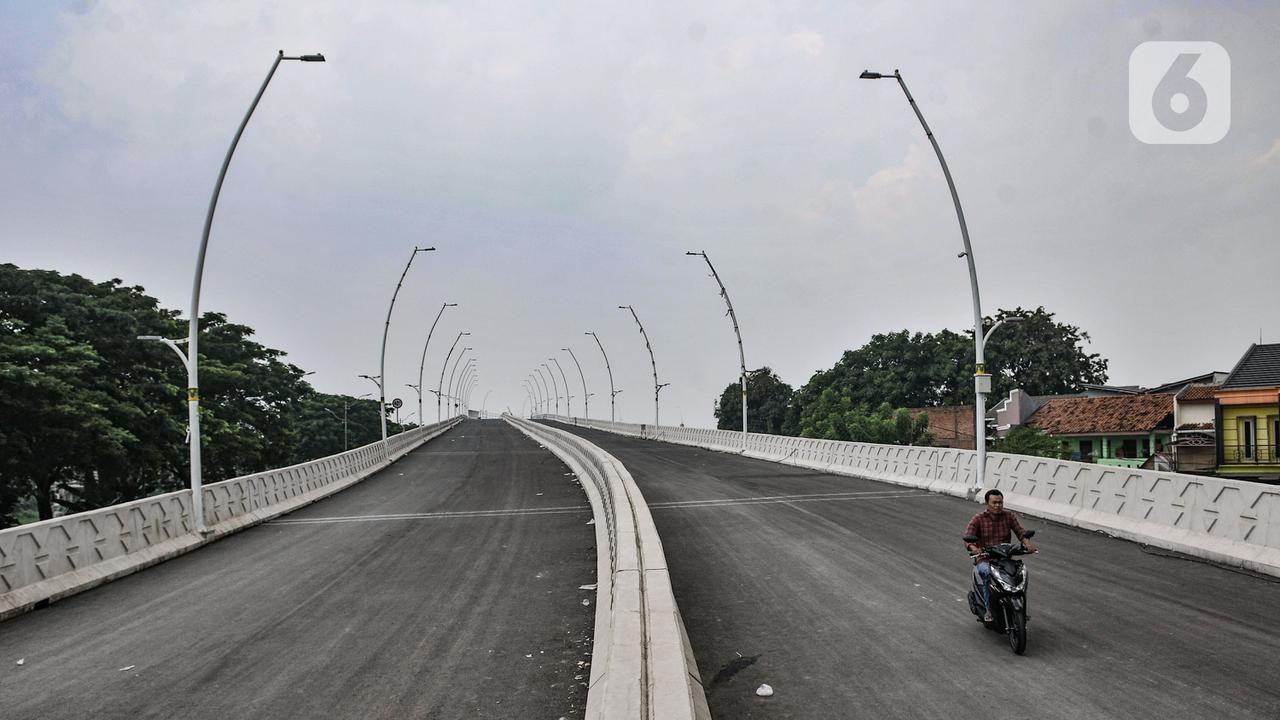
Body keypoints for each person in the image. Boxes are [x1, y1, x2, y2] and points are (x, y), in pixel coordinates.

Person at [963, 489, 1036, 622]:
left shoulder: (1009, 516)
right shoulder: (978, 519)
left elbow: (1020, 532)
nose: (997, 505)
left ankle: (1021, 609)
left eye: (1000, 503)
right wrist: (975, 549)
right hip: (985, 558)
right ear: (987, 503)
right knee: (985, 573)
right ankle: (988, 610)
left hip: (1004, 558)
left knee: (1021, 575)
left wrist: (1027, 543)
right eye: (994, 503)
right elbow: (968, 539)